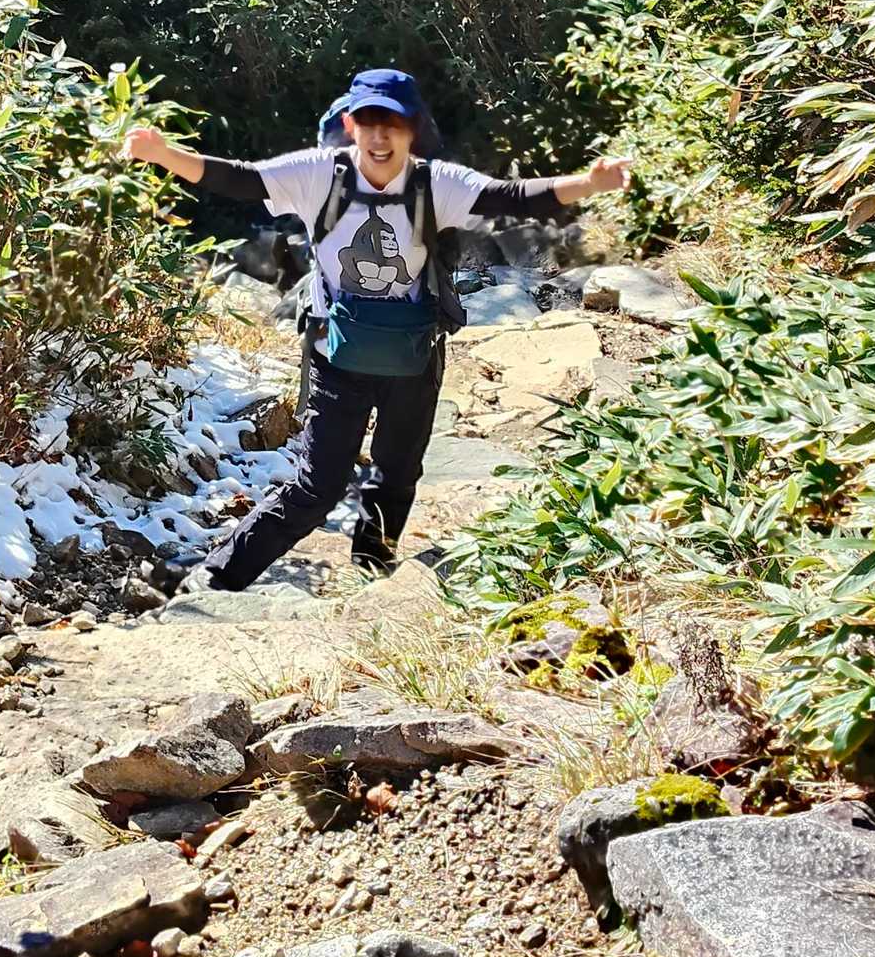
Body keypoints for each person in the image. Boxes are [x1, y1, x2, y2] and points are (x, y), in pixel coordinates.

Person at [123, 68, 631, 591]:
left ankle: (372, 575)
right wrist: (163, 154)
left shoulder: (435, 183)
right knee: (317, 485)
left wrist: (589, 183)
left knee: (397, 472)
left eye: (393, 123)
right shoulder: (321, 174)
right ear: (351, 125)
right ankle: (218, 576)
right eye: (368, 121)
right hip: (335, 353)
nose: (380, 135)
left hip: (414, 352)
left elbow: (513, 197)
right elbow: (240, 179)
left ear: (413, 129)